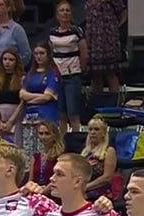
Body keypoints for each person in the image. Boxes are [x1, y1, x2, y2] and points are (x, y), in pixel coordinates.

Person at [48, 0, 88, 136]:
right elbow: (50, 54)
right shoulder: (52, 33)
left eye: (67, 10)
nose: (65, 13)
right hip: (57, 77)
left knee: (73, 113)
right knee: (61, 114)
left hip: (72, 76)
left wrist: (79, 69)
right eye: (62, 10)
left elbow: (84, 54)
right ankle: (62, 141)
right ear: (57, 14)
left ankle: (76, 140)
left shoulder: (76, 31)